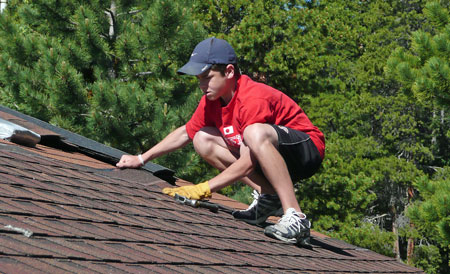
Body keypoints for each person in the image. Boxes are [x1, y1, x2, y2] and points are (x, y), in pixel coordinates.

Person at [116, 37, 325, 245]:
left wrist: (205, 188)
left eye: (207, 77)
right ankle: (270, 197)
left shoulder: (252, 98)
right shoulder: (211, 101)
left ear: (230, 72)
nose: (202, 85)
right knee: (202, 138)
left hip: (306, 150)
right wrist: (141, 158)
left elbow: (248, 162)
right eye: (198, 79)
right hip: (270, 156)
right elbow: (185, 134)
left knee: (252, 134)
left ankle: (296, 217)